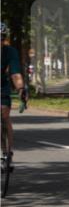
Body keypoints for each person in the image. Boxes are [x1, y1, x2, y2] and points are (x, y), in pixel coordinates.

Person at [1, 22, 28, 157]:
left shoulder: (10, 51)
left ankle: (7, 152)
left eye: (1, 38)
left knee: (4, 115)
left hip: (2, 85)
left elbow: (15, 73)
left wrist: (21, 89)